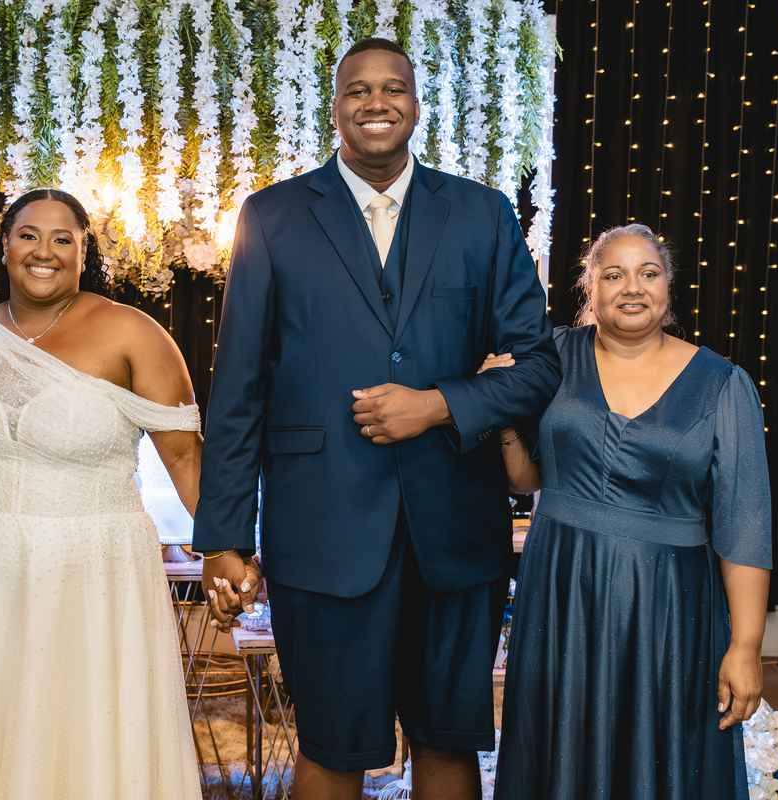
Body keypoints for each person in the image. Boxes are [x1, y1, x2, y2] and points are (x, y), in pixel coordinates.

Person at [193, 37, 561, 799]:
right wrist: (225, 536)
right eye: (358, 90)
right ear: (334, 109)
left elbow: (539, 365)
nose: (376, 102)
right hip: (320, 529)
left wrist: (438, 405)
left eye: (393, 88)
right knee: (331, 747)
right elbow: (238, 392)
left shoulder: (482, 214)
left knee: (449, 742)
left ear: (416, 106)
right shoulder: (272, 216)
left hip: (455, 529)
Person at [0, 188, 203, 799]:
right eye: (29, 235)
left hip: (94, 574)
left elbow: (185, 459)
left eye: (63, 239)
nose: (45, 251)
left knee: (86, 734)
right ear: (3, 247)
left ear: (84, 252)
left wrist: (230, 551)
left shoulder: (132, 333)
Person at [489, 224, 772, 800]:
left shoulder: (723, 384)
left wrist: (745, 646)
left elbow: (744, 524)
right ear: (589, 288)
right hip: (561, 589)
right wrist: (502, 412)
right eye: (613, 275)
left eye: (648, 273)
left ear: (669, 286)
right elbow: (527, 479)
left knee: (661, 755)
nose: (632, 287)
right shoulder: (552, 357)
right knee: (557, 749)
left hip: (669, 606)